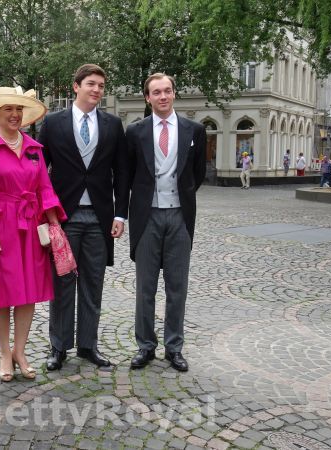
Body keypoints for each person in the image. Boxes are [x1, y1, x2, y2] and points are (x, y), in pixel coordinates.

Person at [38, 64, 130, 371]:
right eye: (91, 84)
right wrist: (47, 215)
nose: (97, 90)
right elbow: (41, 173)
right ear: (75, 86)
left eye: (101, 86)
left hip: (100, 218)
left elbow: (123, 174)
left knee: (93, 283)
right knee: (62, 284)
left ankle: (88, 345)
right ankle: (59, 346)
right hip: (65, 218)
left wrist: (120, 214)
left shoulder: (113, 125)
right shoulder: (52, 123)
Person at [0, 86, 67, 382]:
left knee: (28, 293)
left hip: (31, 228)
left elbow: (44, 188)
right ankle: (4, 353)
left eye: (19, 109)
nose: (15, 115)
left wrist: (55, 226)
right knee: (3, 294)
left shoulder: (34, 149)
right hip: (0, 228)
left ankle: (20, 351)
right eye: (8, 110)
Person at [126, 73, 206, 371]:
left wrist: (180, 197)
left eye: (168, 91)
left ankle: (174, 347)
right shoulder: (135, 132)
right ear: (147, 97)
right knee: (145, 288)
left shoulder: (194, 130)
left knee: (177, 287)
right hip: (146, 217)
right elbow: (129, 175)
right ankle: (145, 346)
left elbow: (196, 175)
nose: (163, 96)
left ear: (174, 94)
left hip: (179, 217)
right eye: (156, 92)